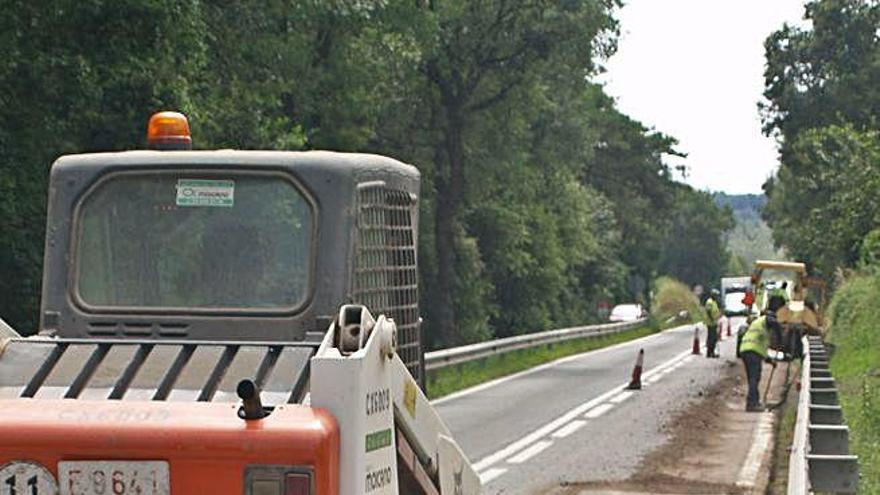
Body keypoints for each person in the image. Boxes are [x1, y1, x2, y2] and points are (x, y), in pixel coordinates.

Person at [739, 295, 785, 411]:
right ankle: (752, 404)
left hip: (746, 350)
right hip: (752, 352)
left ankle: (753, 402)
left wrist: (770, 361)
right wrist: (781, 339)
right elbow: (775, 323)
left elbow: (762, 350)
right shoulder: (765, 319)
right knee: (755, 377)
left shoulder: (759, 325)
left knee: (752, 378)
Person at [704, 290, 722, 358]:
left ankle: (711, 352)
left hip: (714, 322)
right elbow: (708, 311)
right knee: (712, 338)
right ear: (713, 295)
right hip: (711, 323)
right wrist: (712, 319)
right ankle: (710, 352)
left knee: (714, 338)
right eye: (716, 295)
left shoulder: (714, 302)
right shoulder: (709, 302)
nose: (717, 297)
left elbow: (715, 312)